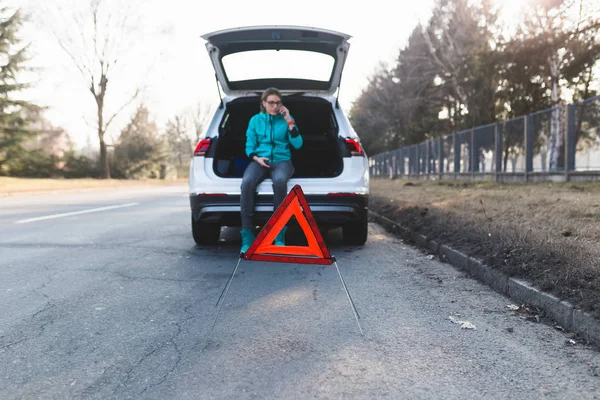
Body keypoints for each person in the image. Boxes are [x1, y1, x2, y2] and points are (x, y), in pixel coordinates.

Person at [240, 87, 303, 253]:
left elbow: (298, 144)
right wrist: (257, 158)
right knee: (246, 182)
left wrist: (289, 119)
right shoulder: (255, 120)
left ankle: (279, 234)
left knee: (280, 181)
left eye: (278, 103)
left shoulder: (286, 119)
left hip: (282, 160)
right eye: (271, 103)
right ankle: (247, 236)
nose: (275, 106)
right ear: (263, 103)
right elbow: (249, 145)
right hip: (260, 160)